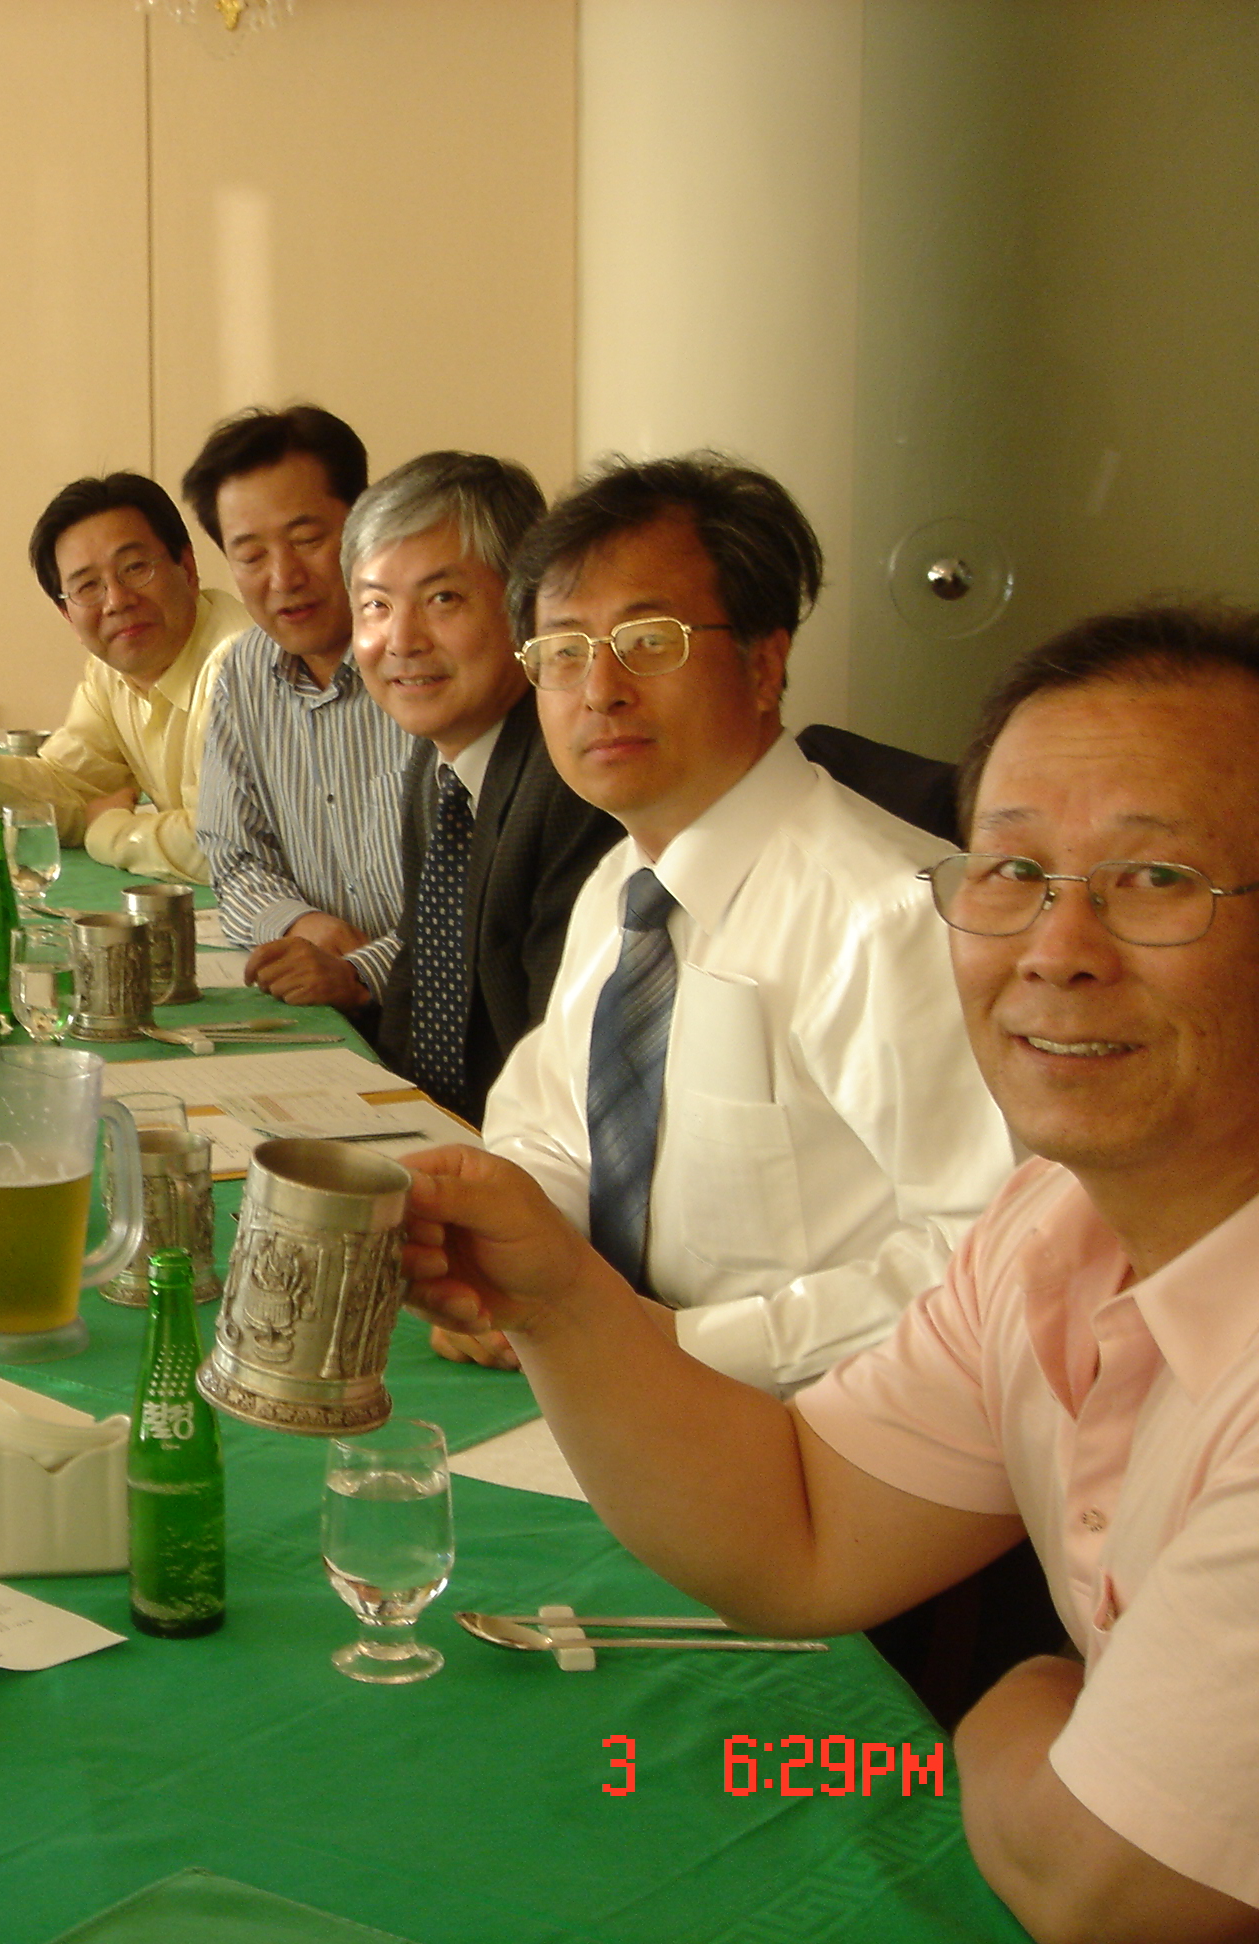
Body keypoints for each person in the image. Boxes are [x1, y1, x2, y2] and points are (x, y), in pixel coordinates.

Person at [400, 604, 1259, 1942]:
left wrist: (1017, 1704)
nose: (1056, 948)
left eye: (1155, 879)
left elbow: (1110, 1886)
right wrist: (558, 1298)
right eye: (1011, 871)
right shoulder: (1054, 1223)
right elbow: (800, 1526)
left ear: (766, 659)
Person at [462, 453, 1016, 1388]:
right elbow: (551, 1133)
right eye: (563, 651)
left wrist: (677, 1347)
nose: (599, 689)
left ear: (764, 664)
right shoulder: (621, 885)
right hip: (621, 1390)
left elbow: (989, 1254)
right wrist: (516, 1269)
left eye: (649, 640)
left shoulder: (892, 916)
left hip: (823, 1425)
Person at [344, 451, 620, 1124]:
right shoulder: (437, 762)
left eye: (443, 599)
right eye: (376, 605)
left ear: (527, 608)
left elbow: (559, 1056)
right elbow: (416, 978)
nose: (401, 640)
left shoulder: (571, 780)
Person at [186, 405, 415, 1014]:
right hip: (319, 1002)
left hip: (444, 1018)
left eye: (308, 540)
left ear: (364, 525)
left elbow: (486, 903)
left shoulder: (423, 664)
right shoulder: (245, 672)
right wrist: (299, 923)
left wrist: (361, 969)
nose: (284, 577)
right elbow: (233, 856)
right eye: (250, 556)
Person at [0, 473, 248, 883]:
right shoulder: (113, 673)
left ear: (187, 567)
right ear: (67, 614)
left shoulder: (239, 668)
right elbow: (74, 787)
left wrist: (109, 831)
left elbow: (227, 845)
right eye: (88, 586)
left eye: (135, 568)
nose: (117, 601)